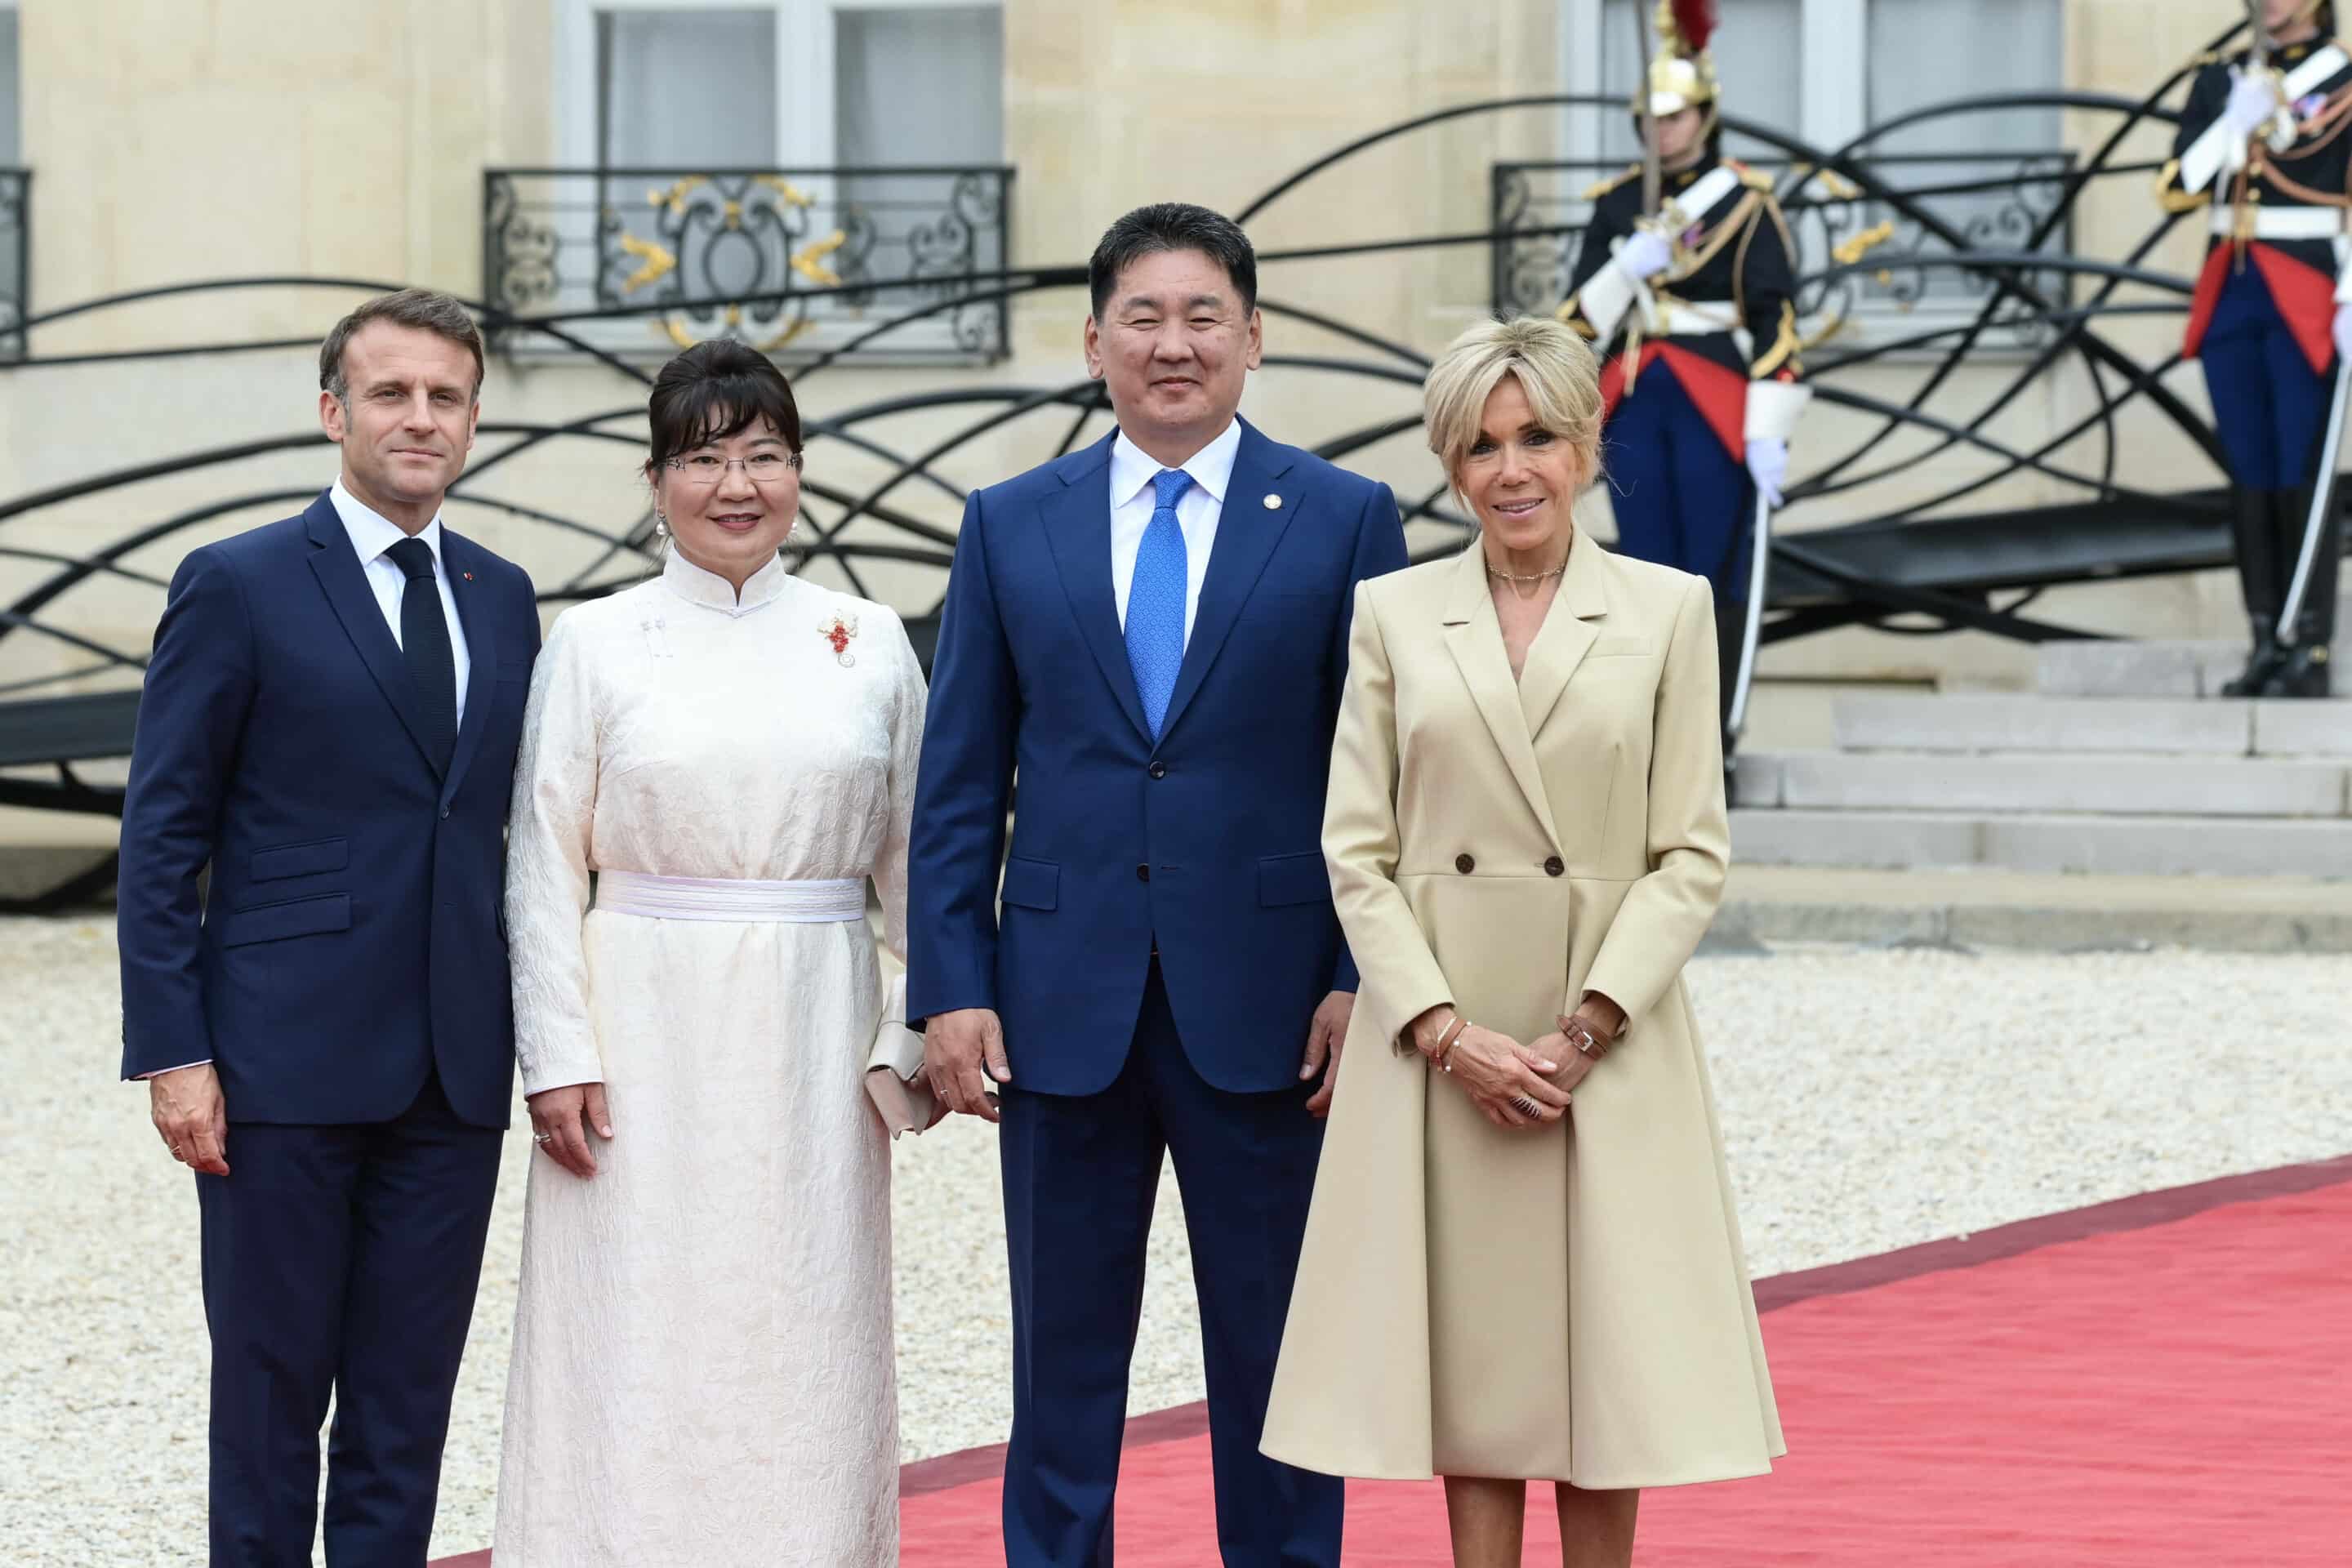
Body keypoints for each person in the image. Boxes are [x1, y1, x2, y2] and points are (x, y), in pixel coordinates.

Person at [907, 202, 1410, 1567]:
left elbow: (1392, 783)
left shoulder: (1343, 518)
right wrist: (949, 988)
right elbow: (959, 779)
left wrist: (1367, 978)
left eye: (1203, 317)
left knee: (1279, 1372)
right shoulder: (1012, 524)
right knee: (1061, 1373)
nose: (1173, 344)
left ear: (1254, 338)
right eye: (1143, 316)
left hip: (1270, 1015)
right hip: (1057, 1016)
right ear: (1092, 342)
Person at [1261, 316, 1783, 1568]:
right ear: (1450, 465)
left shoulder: (1669, 609)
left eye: (1537, 436)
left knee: (1611, 1375)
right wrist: (1444, 1034)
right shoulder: (1392, 612)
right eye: (1480, 446)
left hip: (1605, 1034)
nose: (1511, 470)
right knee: (1481, 1372)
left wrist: (1585, 1027)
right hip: (1448, 1039)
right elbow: (1357, 850)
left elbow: (1692, 850)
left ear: (1584, 444)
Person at [116, 288, 540, 1566]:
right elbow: (162, 834)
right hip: (278, 1067)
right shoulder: (237, 582)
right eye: (392, 393)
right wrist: (173, 1050)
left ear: (472, 419)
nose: (422, 419)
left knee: (405, 1414)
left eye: (447, 397)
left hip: (453, 1069)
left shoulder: (505, 595)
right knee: (268, 1402)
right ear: (332, 411)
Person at [492, 339, 928, 1566]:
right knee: (634, 1320)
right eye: (704, 458)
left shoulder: (870, 640)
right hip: (642, 1025)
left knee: (806, 1317)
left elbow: (914, 860)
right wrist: (557, 1054)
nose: (737, 485)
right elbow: (539, 857)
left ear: (799, 471)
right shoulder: (595, 641)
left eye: (766, 455)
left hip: (813, 1027)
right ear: (654, 477)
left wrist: (915, 1028)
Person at [1558, 0, 1809, 741]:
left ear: (1704, 116)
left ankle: (1710, 732)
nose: (1661, 132)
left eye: (1674, 118)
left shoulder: (1747, 202)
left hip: (1713, 395)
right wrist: (1623, 269)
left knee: (1707, 572)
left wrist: (1767, 429)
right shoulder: (1616, 207)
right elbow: (1575, 323)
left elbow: (1776, 320)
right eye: (1651, 121)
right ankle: (1648, 730)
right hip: (1633, 394)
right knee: (1643, 568)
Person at [2160, 0, 2349, 697]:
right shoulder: (2220, 78)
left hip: (2307, 289)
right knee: (2249, 466)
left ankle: (2312, 645)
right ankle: (2265, 636)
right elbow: (2177, 188)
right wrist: (2230, 125)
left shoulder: (2345, 77)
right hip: (2232, 287)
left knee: (2303, 464)